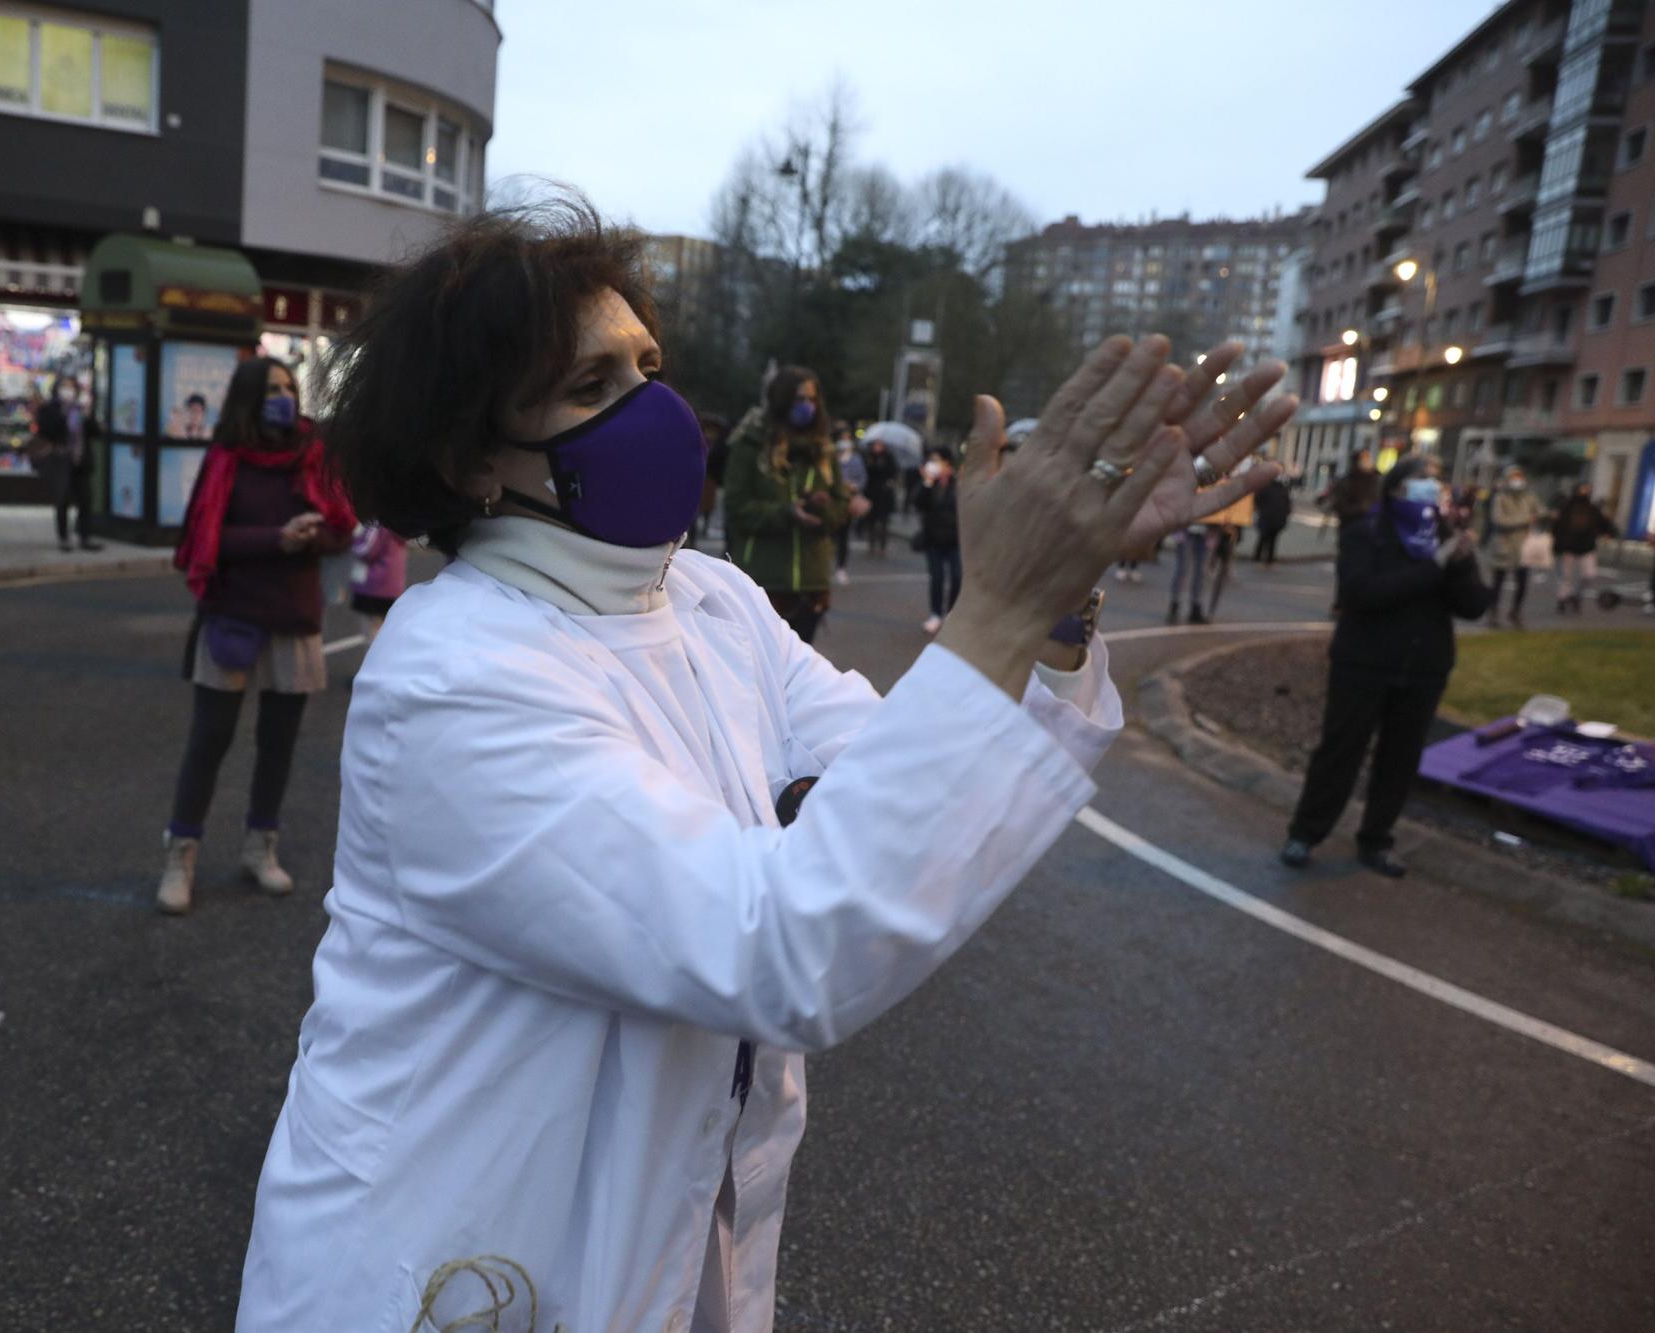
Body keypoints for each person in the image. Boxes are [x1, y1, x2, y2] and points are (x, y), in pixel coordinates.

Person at [234, 200, 1290, 1333]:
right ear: (469, 458)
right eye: (593, 388)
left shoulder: (713, 598)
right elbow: (781, 942)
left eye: (649, 364)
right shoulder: (450, 680)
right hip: (444, 1266)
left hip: (662, 1238)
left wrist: (1056, 597)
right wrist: (1000, 596)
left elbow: (900, 784)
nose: (655, 408)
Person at [156, 357, 356, 915]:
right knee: (209, 741)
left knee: (279, 745)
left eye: (289, 387)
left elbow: (343, 528)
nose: (284, 397)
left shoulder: (314, 454)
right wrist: (276, 538)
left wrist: (315, 533)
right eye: (272, 389)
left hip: (293, 617)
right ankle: (181, 854)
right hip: (233, 615)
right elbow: (206, 538)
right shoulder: (226, 458)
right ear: (248, 397)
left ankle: (259, 847)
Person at [1281, 456, 1489, 876]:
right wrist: (1434, 567)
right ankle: (1306, 832)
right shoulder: (1366, 533)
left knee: (1400, 758)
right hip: (1364, 663)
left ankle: (1376, 839)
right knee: (1340, 751)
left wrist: (1462, 563)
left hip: (1423, 668)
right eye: (1421, 481)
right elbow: (1362, 594)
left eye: (1435, 481)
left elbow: (1473, 606)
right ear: (1396, 490)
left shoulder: (1443, 537)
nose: (1431, 488)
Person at [722, 366, 854, 642]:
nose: (807, 406)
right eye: (798, 399)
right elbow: (736, 508)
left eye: (811, 399)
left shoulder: (824, 450)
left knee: (799, 678)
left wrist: (821, 509)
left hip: (810, 584)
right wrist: (787, 513)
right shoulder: (750, 445)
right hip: (762, 581)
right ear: (781, 400)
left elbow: (840, 507)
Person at [33, 373, 102, 554]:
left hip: (81, 461)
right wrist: (63, 416)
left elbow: (95, 432)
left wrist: (88, 416)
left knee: (85, 499)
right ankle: (64, 537)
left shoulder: (80, 410)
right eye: (64, 386)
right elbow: (47, 431)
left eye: (71, 387)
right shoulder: (50, 409)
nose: (68, 391)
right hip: (60, 460)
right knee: (62, 500)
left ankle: (84, 536)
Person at [1481, 466, 1541, 628]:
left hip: (1523, 547)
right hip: (1504, 545)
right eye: (1514, 477)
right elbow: (1499, 520)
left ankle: (1515, 611)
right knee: (1498, 582)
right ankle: (1493, 613)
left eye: (1519, 477)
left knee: (1522, 582)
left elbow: (1539, 512)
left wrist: (1543, 515)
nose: (1517, 481)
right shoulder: (1500, 498)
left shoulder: (1529, 497)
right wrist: (1524, 520)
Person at [1550, 481, 1616, 613]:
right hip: (1568, 547)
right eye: (1583, 489)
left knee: (1589, 574)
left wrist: (1610, 530)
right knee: (1566, 576)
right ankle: (1562, 599)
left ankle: (1576, 596)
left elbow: (1603, 524)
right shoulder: (1567, 507)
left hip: (1586, 547)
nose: (1585, 492)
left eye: (1587, 489)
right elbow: (1557, 527)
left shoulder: (1592, 509)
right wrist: (1557, 544)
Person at [916, 445, 962, 633]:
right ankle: (935, 614)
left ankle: (951, 613)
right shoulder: (929, 484)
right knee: (937, 577)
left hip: (955, 540)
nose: (934, 464)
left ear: (948, 464)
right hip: (933, 539)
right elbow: (918, 504)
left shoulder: (959, 484)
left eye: (938, 460)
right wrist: (926, 482)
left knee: (957, 577)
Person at [347, 521, 406, 641]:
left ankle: (375, 658)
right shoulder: (400, 525)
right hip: (393, 584)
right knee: (388, 627)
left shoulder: (379, 524)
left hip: (374, 586)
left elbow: (367, 550)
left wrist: (352, 541)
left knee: (372, 629)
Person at [832, 429, 869, 584]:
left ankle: (841, 567)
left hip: (847, 502)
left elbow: (863, 478)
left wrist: (855, 486)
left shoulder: (856, 460)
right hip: (832, 502)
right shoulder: (832, 458)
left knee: (843, 536)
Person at [694, 411, 730, 545]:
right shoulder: (700, 440)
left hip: (709, 477)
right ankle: (698, 528)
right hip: (702, 476)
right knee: (699, 506)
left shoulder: (717, 444)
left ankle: (704, 525)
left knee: (708, 504)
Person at [1166, 519, 1210, 624]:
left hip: (1207, 531)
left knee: (1201, 573)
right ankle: (1174, 605)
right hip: (1186, 529)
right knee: (1182, 570)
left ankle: (1196, 606)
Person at [862, 435, 899, 555]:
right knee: (871, 521)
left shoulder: (889, 457)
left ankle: (882, 545)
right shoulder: (869, 457)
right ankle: (871, 544)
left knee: (883, 521)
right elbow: (866, 472)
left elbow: (893, 472)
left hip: (884, 493)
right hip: (872, 492)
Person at [1253, 469, 1292, 564]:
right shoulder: (1284, 490)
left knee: (1263, 538)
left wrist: (1261, 509)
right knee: (1273, 540)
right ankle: (1269, 559)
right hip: (1278, 520)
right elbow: (1288, 506)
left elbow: (1257, 500)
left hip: (1267, 518)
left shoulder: (1266, 488)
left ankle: (1258, 557)